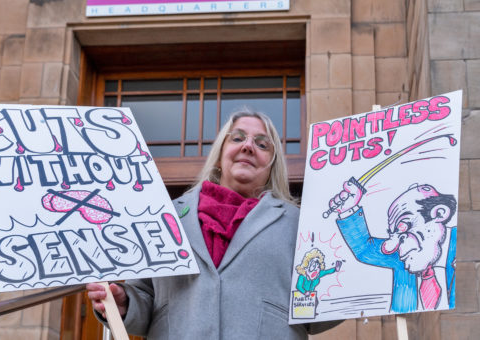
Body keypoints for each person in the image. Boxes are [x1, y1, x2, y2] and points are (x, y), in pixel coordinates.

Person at [87, 109, 340, 339]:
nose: (248, 147)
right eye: (237, 138)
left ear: (272, 164)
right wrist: (125, 305)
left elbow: (316, 308)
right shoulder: (167, 217)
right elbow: (144, 296)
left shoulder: (298, 223)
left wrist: (356, 286)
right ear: (220, 154)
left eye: (262, 144)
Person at [329, 180, 457, 312]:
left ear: (439, 213)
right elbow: (365, 250)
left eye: (404, 226)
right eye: (394, 233)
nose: (399, 247)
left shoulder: (461, 243)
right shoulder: (406, 255)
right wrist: (348, 210)